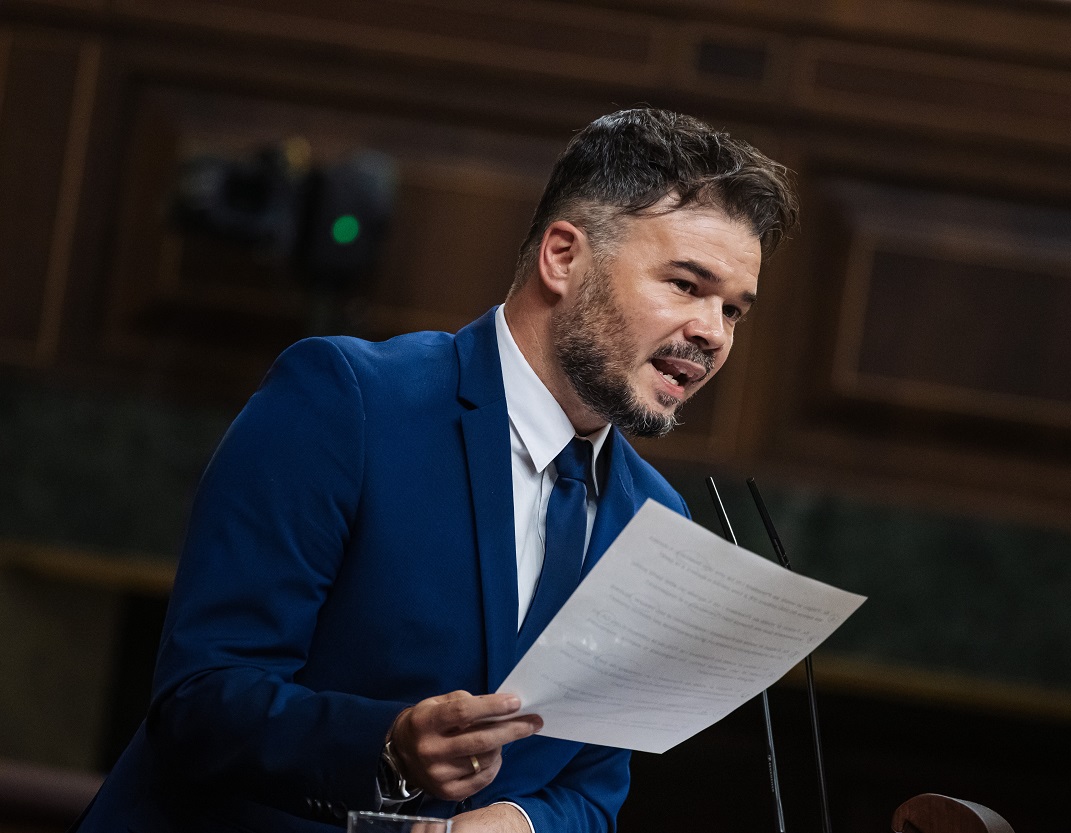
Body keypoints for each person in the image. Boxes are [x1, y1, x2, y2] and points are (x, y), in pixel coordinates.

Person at [72, 107, 798, 833]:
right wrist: (387, 747)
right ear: (564, 257)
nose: (712, 331)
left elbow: (592, 786)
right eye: (685, 284)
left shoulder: (655, 517)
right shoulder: (348, 400)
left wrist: (522, 822)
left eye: (734, 310)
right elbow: (200, 697)